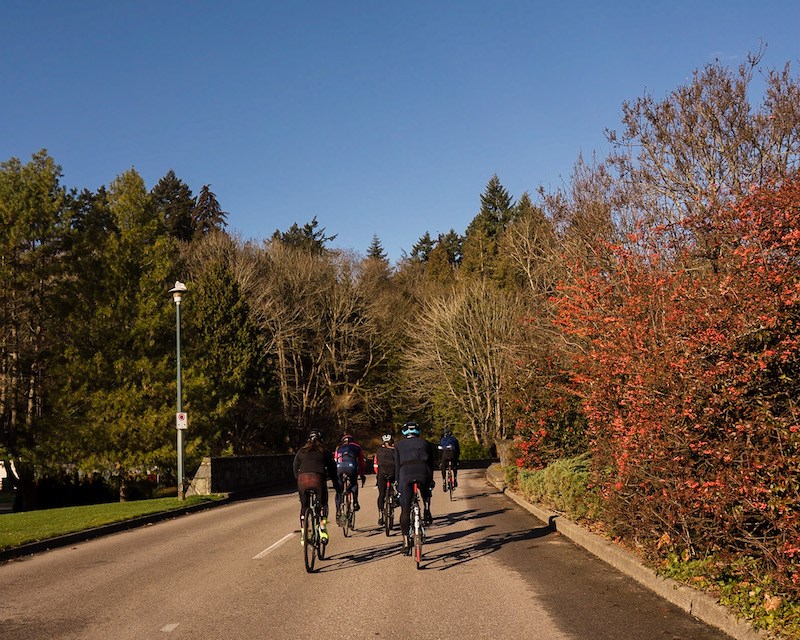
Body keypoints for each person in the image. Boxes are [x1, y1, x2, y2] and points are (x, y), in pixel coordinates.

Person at [293, 429, 341, 546]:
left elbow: (295, 467)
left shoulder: (301, 451)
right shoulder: (324, 452)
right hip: (317, 479)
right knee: (323, 504)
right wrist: (336, 484)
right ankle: (323, 527)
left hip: (302, 479)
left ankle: (304, 532)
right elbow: (332, 470)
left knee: (304, 506)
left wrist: (298, 480)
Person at [393, 421, 435, 554]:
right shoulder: (425, 443)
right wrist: (430, 480)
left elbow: (396, 465)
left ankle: (406, 541)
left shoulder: (398, 445)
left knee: (405, 509)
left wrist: (397, 482)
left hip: (405, 472)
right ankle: (427, 510)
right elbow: (431, 463)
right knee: (426, 491)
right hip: (423, 470)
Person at [334, 433, 366, 517]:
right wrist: (362, 474)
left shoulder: (338, 448)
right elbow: (361, 462)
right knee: (354, 483)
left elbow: (335, 460)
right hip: (351, 468)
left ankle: (338, 510)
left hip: (339, 468)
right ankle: (355, 502)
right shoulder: (357, 447)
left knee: (339, 490)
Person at [373, 433, 397, 526]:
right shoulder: (395, 451)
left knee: (381, 494)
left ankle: (380, 515)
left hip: (382, 474)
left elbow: (375, 466)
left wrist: (378, 474)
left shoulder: (378, 451)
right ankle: (394, 500)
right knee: (395, 488)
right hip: (393, 473)